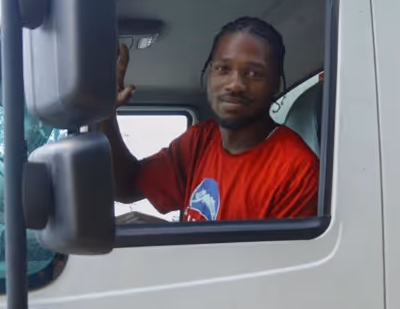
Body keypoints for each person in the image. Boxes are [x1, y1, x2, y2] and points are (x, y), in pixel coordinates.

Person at [101, 17, 319, 222]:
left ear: (276, 84)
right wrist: (104, 110)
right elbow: (126, 186)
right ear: (209, 75)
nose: (235, 84)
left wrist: (165, 237)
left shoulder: (298, 171)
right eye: (223, 69)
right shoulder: (201, 139)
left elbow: (274, 252)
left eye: (254, 73)